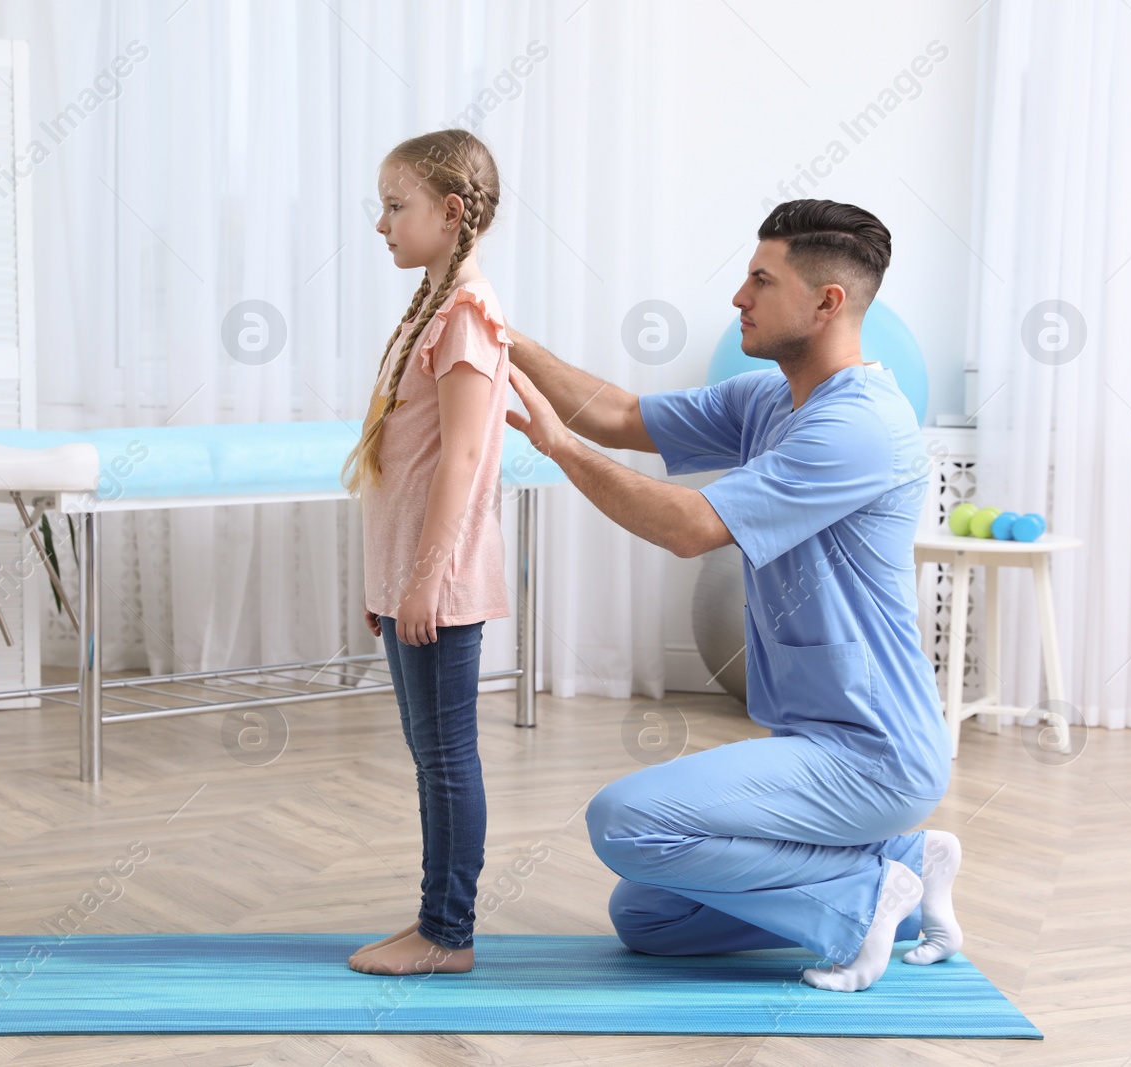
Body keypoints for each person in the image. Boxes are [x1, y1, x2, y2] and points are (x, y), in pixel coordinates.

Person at [504, 199, 964, 992]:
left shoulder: (861, 425)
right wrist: (503, 337)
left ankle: (860, 900)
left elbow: (690, 526)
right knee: (648, 917)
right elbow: (619, 413)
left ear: (827, 303)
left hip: (875, 753)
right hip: (813, 742)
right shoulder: (767, 401)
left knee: (626, 821)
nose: (738, 298)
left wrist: (556, 449)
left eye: (760, 280)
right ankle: (906, 863)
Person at [340, 129, 514, 977]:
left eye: (395, 205)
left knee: (446, 758)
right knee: (430, 754)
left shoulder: (469, 319)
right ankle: (438, 921)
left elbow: (463, 460)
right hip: (410, 576)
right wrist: (385, 578)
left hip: (437, 584)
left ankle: (447, 931)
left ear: (451, 214)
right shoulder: (430, 306)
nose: (380, 223)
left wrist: (422, 581)